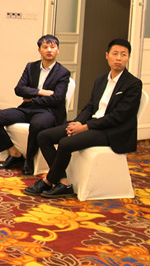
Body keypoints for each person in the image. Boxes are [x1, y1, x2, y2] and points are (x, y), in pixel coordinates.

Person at [25, 38, 142, 198]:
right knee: (44, 136)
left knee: (65, 143)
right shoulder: (101, 80)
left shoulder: (133, 84)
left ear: (128, 57)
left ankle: (48, 180)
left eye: (123, 54)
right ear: (107, 56)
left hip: (113, 131)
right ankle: (63, 182)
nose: (119, 58)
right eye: (115, 54)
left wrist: (86, 127)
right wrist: (77, 122)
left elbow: (118, 117)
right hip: (92, 124)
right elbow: (90, 107)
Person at [0, 35, 70, 175]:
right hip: (27, 109)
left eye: (52, 47)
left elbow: (57, 98)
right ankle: (14, 153)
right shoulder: (31, 67)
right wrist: (40, 92)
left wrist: (32, 99)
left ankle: (29, 159)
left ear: (58, 50)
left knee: (37, 125)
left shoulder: (63, 73)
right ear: (39, 50)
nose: (49, 50)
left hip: (48, 111)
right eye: (45, 47)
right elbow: (19, 89)